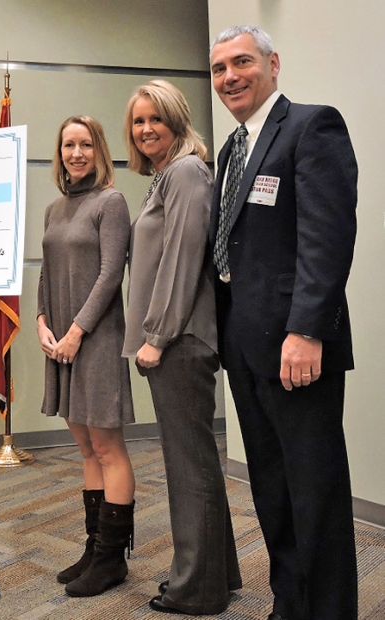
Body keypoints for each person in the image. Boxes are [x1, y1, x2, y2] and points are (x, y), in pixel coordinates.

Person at [209, 26, 358, 620]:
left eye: (241, 62)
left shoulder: (312, 126)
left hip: (298, 347)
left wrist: (308, 330)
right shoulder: (232, 150)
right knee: (270, 485)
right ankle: (290, 603)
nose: (229, 77)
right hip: (245, 349)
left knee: (314, 489)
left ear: (273, 64)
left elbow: (326, 238)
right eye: (219, 69)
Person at [121, 80, 242, 615]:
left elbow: (183, 258)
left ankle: (196, 587)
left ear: (176, 118)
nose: (146, 129)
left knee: (188, 466)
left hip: (178, 340)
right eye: (138, 121)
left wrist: (157, 337)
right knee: (195, 462)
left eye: (155, 119)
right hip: (171, 339)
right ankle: (220, 573)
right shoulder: (166, 175)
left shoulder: (188, 171)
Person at [36, 115, 135, 598]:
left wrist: (76, 331)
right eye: (68, 145)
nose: (77, 153)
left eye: (85, 145)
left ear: (99, 149)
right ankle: (94, 547)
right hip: (59, 341)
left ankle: (113, 560)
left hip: (94, 340)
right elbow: (46, 272)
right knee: (86, 449)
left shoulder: (111, 202)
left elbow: (111, 275)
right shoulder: (55, 209)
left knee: (107, 447)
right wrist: (40, 320)